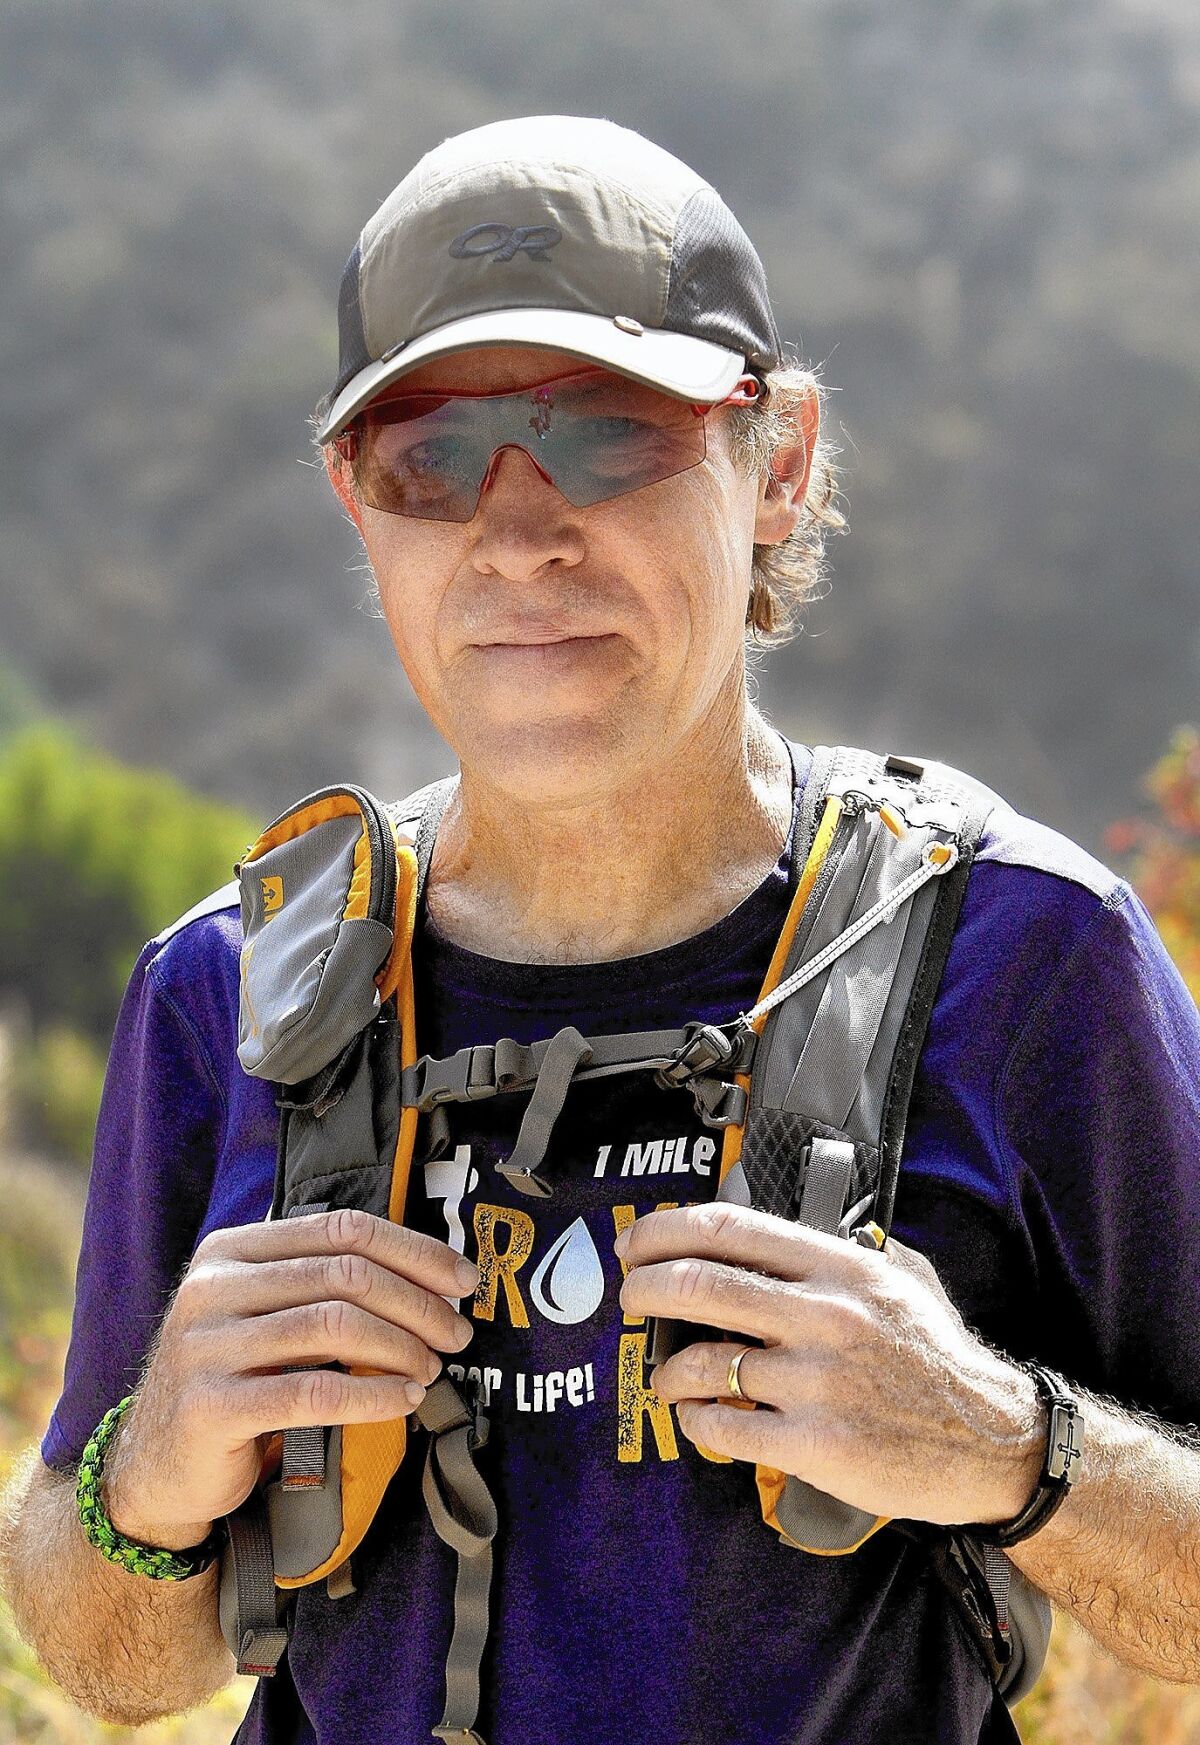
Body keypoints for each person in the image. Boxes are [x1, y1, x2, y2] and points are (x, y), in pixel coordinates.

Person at [2, 112, 1199, 1745]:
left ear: (774, 463)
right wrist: (151, 1469)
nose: (513, 530)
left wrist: (1003, 1441)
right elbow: (106, 1659)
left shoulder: (1021, 954)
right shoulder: (236, 989)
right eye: (429, 452)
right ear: (358, 501)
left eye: (605, 433)